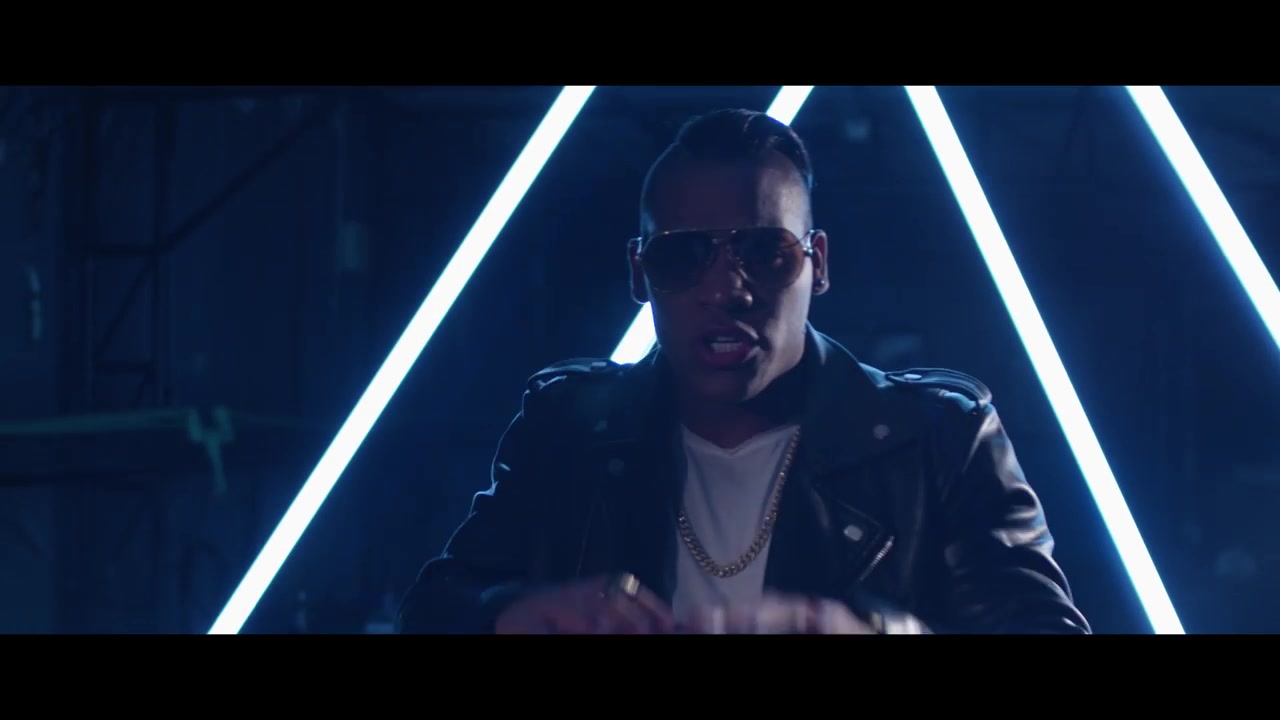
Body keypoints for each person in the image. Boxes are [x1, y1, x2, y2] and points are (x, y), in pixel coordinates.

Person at [396, 108, 1092, 634]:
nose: (727, 288)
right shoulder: (568, 429)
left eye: (765, 252)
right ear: (640, 274)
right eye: (682, 256)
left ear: (818, 263)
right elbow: (434, 611)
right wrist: (515, 616)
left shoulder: (940, 441)